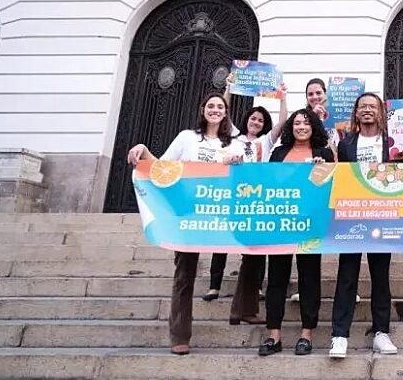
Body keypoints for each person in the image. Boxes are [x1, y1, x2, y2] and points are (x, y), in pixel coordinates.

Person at [126, 93, 244, 356]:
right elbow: (161, 167)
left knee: (252, 254)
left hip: (221, 212)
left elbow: (243, 177)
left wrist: (236, 163)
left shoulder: (235, 144)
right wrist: (143, 149)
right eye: (211, 106)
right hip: (189, 214)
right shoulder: (186, 137)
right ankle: (180, 334)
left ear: (226, 113)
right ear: (203, 110)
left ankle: (244, 309)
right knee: (184, 272)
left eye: (220, 107)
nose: (215, 110)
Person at [204, 85, 289, 325]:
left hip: (257, 200)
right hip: (233, 197)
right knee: (235, 249)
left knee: (254, 254)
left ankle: (243, 308)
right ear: (246, 120)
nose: (256, 122)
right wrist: (229, 88)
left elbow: (283, 122)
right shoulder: (233, 137)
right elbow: (225, 110)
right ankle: (234, 302)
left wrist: (283, 98)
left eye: (261, 120)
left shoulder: (265, 141)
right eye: (253, 118)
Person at [258, 108, 335, 357]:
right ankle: (274, 335)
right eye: (297, 123)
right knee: (276, 278)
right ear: (291, 127)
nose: (301, 127)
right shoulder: (279, 152)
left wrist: (323, 169)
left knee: (309, 277)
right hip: (280, 223)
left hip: (310, 224)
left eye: (306, 123)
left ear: (314, 127)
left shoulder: (323, 152)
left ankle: (306, 334)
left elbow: (333, 184)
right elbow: (268, 182)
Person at [328, 93, 398, 358]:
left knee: (381, 277)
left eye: (372, 106)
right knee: (347, 276)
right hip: (352, 217)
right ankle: (339, 335)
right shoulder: (346, 144)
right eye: (362, 107)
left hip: (384, 216)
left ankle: (381, 332)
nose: (367, 110)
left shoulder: (392, 142)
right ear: (356, 113)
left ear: (381, 112)